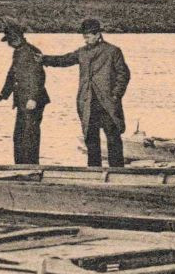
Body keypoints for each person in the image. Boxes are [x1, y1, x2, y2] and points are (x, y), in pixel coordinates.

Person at [43, 18, 130, 167]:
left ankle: (117, 172)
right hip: (88, 103)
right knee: (91, 139)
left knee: (113, 138)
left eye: (88, 36)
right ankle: (93, 172)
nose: (86, 39)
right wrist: (44, 59)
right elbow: (64, 60)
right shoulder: (81, 52)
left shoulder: (113, 51)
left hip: (108, 104)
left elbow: (124, 75)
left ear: (98, 34)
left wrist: (115, 95)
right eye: (84, 36)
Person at [0, 21, 50, 165]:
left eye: (10, 40)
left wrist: (33, 98)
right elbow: (12, 75)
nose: (9, 44)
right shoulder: (18, 52)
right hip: (22, 101)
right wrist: (3, 94)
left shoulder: (32, 51)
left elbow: (38, 77)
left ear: (17, 38)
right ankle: (20, 166)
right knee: (19, 136)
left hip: (32, 102)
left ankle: (30, 168)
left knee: (29, 137)